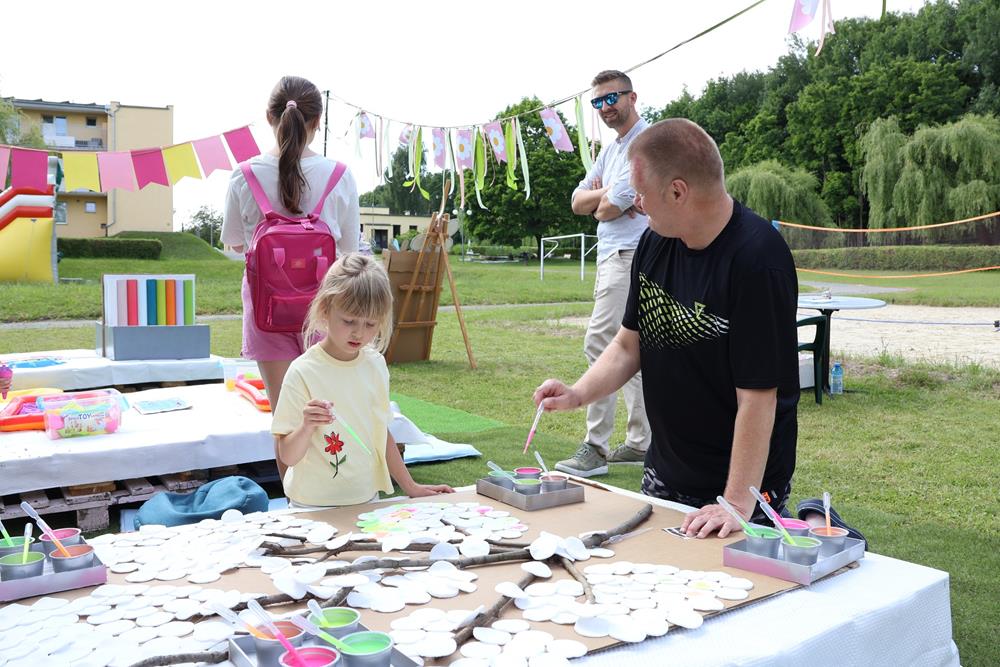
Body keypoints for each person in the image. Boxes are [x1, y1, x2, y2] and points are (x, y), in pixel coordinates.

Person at [536, 118, 800, 537]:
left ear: (678, 192)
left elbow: (758, 396)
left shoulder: (758, 261)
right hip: (667, 470)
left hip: (743, 486)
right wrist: (578, 393)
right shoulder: (655, 241)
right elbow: (629, 345)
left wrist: (735, 503)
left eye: (641, 193)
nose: (637, 204)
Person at [222, 75, 360, 480]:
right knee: (331, 406)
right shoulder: (339, 175)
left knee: (285, 416)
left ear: (270, 118)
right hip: (325, 311)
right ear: (318, 121)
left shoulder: (244, 175)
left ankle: (295, 496)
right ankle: (337, 489)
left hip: (267, 311)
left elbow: (234, 243)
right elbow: (349, 249)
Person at [270, 254, 454, 507]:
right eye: (349, 321)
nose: (359, 332)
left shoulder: (375, 365)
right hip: (311, 506)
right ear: (325, 309)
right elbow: (288, 456)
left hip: (367, 501)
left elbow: (381, 433)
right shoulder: (302, 372)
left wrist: (411, 487)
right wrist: (306, 426)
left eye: (370, 324)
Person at [556, 69, 651, 478]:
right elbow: (579, 202)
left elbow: (611, 208)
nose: (605, 107)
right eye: (597, 102)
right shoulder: (611, 150)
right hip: (615, 255)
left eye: (612, 98)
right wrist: (605, 195)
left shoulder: (643, 144)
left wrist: (605, 200)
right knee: (631, 347)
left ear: (632, 97)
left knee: (601, 343)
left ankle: (595, 447)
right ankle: (641, 442)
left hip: (629, 254)